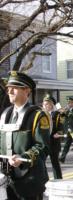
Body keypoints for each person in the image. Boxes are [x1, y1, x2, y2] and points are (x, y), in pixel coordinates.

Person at [0, 71, 50, 199]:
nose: (9, 92)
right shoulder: (5, 115)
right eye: (8, 89)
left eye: (14, 88)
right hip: (8, 182)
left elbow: (42, 147)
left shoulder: (37, 116)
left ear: (27, 90)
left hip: (30, 181)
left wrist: (22, 158)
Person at [42, 94, 64, 179]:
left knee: (55, 162)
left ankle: (58, 180)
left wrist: (58, 133)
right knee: (41, 162)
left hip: (54, 142)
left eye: (48, 104)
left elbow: (62, 125)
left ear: (52, 105)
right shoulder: (41, 115)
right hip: (44, 142)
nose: (46, 105)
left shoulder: (58, 114)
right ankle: (44, 180)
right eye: (44, 104)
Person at [59, 97, 73, 163]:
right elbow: (62, 118)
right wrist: (62, 112)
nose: (69, 104)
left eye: (70, 103)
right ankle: (62, 158)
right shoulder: (66, 109)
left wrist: (66, 112)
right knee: (66, 145)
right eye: (68, 103)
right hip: (69, 130)